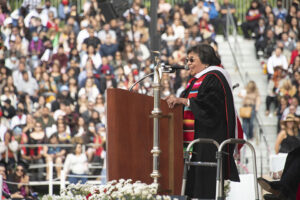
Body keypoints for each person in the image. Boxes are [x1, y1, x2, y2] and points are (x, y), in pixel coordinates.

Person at [166, 43, 241, 199]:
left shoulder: (215, 77)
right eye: (187, 60)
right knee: (191, 189)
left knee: (205, 190)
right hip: (192, 145)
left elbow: (210, 107)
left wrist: (184, 101)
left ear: (205, 60)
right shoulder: (195, 81)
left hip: (208, 142)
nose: (188, 64)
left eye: (192, 60)